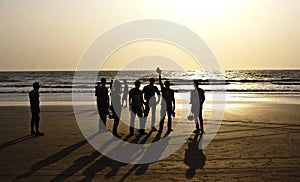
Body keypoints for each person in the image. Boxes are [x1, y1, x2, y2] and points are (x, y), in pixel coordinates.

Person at [157, 68, 175, 132]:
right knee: (163, 117)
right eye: (166, 84)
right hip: (164, 105)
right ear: (165, 85)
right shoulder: (163, 89)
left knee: (169, 117)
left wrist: (174, 106)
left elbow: (173, 99)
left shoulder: (171, 91)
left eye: (168, 84)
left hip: (169, 105)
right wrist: (159, 75)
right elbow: (160, 82)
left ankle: (169, 128)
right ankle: (161, 128)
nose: (167, 85)